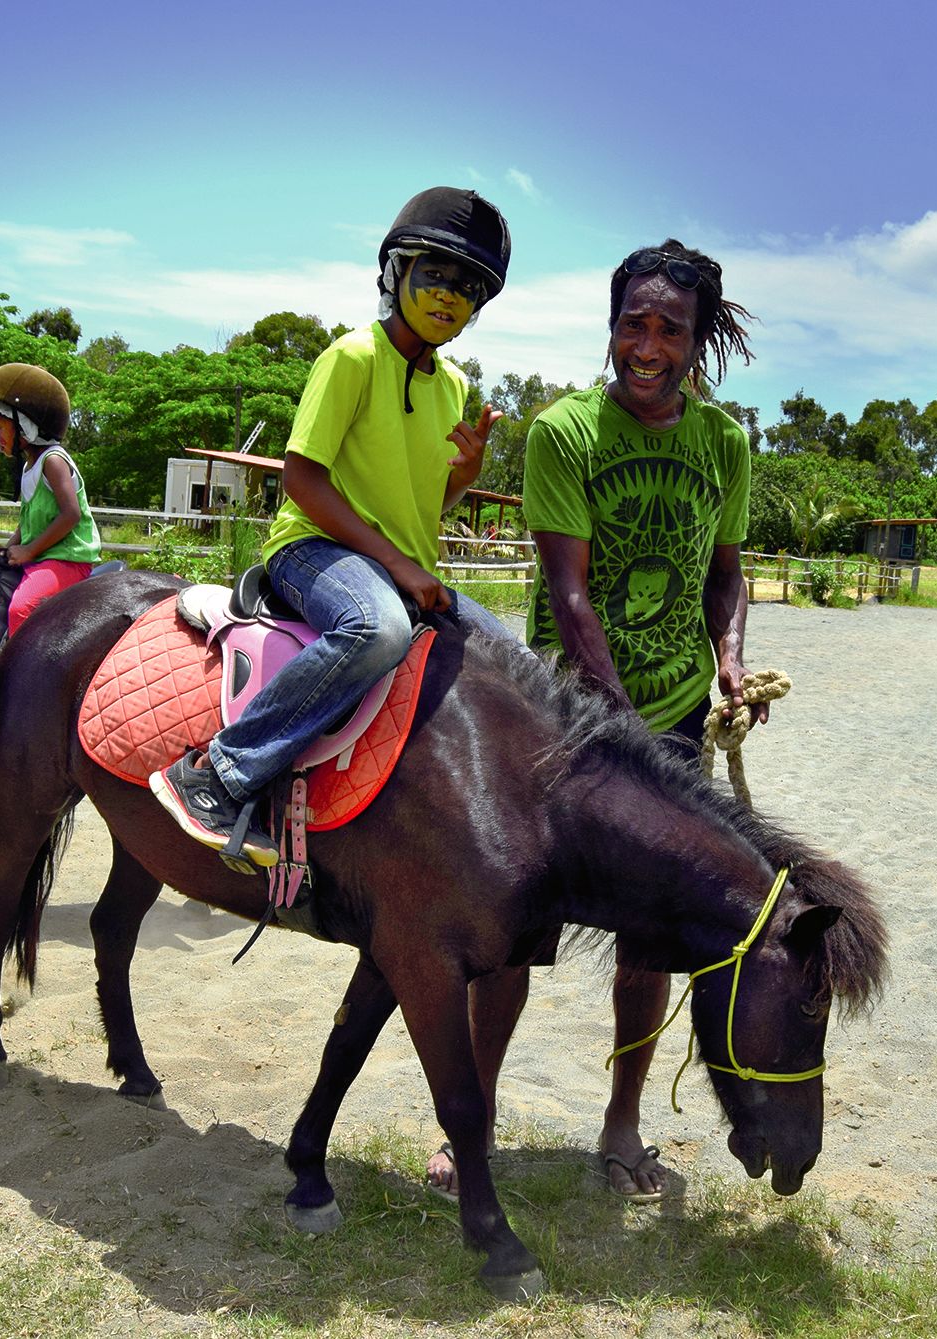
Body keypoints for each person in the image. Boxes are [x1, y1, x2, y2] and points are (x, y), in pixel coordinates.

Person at [423, 239, 760, 1202]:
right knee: (511, 930)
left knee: (650, 943)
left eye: (668, 329)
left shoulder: (724, 443)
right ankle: (471, 1124)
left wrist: (728, 656)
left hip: (674, 716)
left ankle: (620, 1127)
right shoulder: (564, 432)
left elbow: (724, 571)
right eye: (631, 323)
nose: (645, 345)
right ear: (610, 326)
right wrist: (616, 733)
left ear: (699, 342)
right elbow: (569, 601)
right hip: (561, 721)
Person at [151, 188, 517, 869]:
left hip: (397, 562)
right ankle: (220, 770)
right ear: (394, 273)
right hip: (312, 549)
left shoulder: (455, 386)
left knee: (512, 656)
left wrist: (464, 475)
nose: (447, 296)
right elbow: (302, 479)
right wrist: (402, 568)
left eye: (466, 288)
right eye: (433, 275)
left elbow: (417, 501)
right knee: (377, 628)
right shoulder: (351, 357)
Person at [0, 363, 98, 640]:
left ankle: (24, 678)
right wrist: (8, 548)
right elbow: (29, 523)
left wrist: (30, 551)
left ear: (26, 425)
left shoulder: (54, 461)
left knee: (21, 608)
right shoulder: (29, 467)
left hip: (67, 559)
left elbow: (70, 514)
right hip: (44, 555)